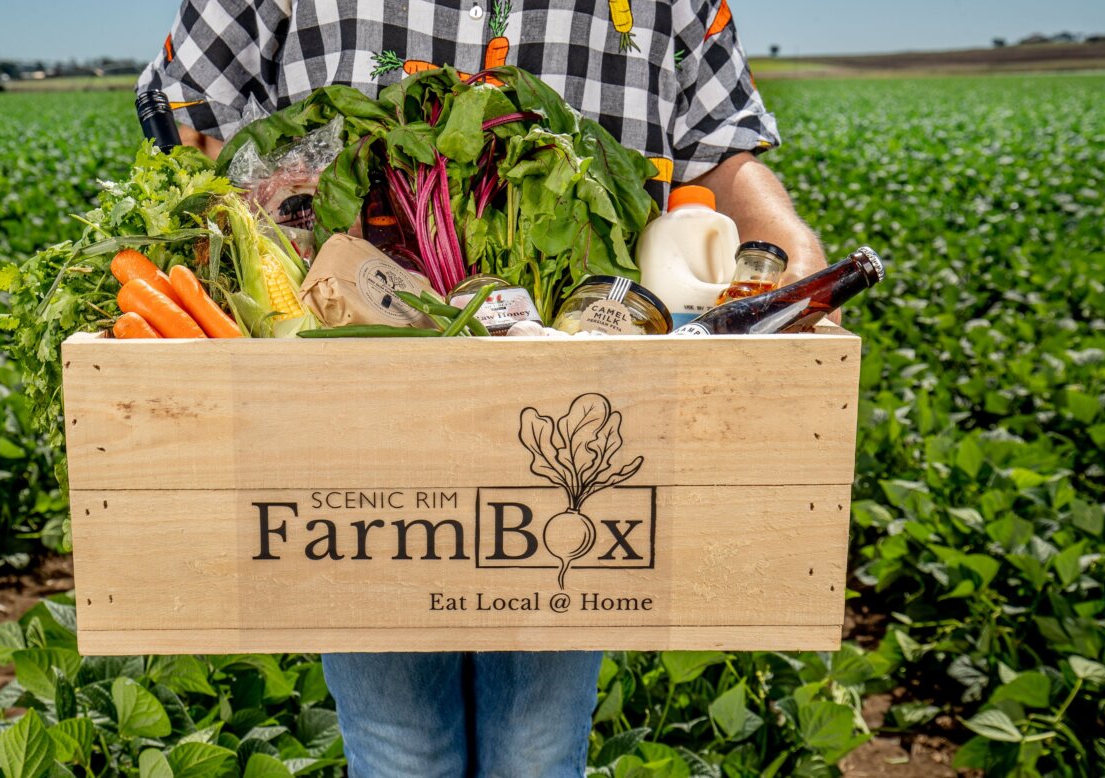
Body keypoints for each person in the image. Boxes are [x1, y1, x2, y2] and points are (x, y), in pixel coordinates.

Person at [137, 2, 828, 775]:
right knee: (400, 748)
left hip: (580, 399)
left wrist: (793, 248)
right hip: (351, 402)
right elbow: (189, 108)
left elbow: (722, 148)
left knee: (535, 749)